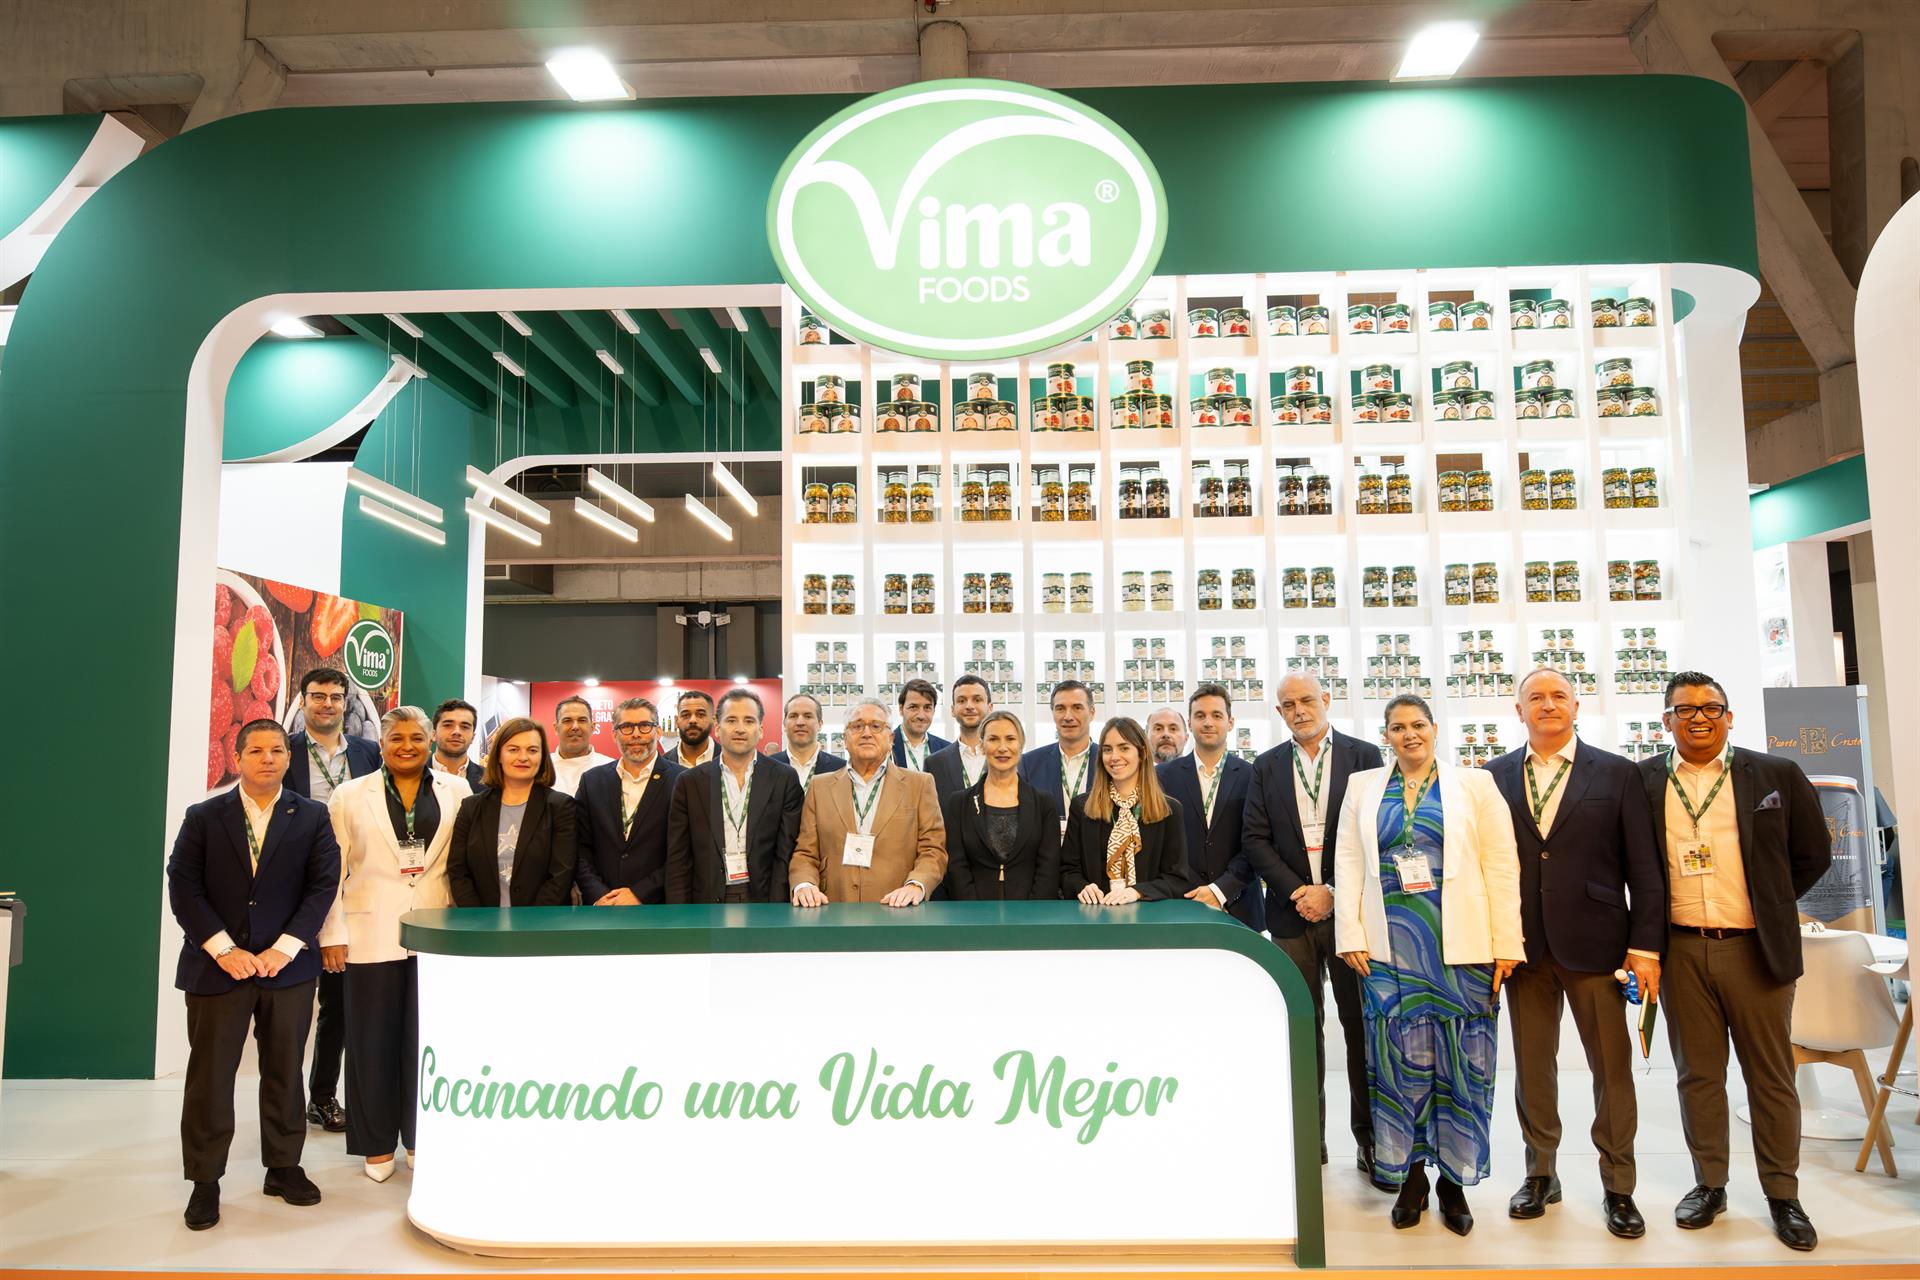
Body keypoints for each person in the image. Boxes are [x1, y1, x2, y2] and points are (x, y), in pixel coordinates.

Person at [1640, 672, 1830, 1252]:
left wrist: (1771, 904)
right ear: (1666, 720)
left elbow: (1813, 854)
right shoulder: (1644, 780)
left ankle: (1783, 1194)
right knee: (1697, 1075)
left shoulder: (1775, 774)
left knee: (1770, 1077)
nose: (1699, 717)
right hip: (1681, 950)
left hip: (1756, 949)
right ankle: (1710, 1185)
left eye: (1711, 707)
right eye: (1685, 709)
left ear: (1729, 716)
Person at [1333, 694, 1522, 1236]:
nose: (1409, 734)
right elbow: (1347, 862)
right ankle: (1412, 1177)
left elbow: (1501, 864)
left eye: (1418, 724)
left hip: (1462, 949)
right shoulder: (1363, 786)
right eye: (1398, 727)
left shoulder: (1476, 784)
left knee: (1463, 1066)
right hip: (1387, 948)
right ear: (1386, 735)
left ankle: (1454, 1183)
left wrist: (1507, 942)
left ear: (1435, 728)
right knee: (1399, 1067)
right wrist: (1350, 933)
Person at [1487, 668, 1665, 1238]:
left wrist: (1645, 947)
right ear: (1518, 711)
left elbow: (1645, 868)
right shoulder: (1491, 776)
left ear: (1576, 706)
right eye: (1535, 697)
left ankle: (1619, 1186)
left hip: (1598, 944)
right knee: (1533, 1067)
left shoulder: (1617, 773)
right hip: (1524, 949)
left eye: (1558, 695)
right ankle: (1541, 1173)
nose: (1548, 705)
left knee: (1611, 1069)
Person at [167, 719, 339, 1230]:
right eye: (257, 750)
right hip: (217, 967)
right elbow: (183, 887)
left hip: (287, 968)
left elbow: (323, 886)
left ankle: (283, 1168)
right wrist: (224, 949)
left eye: (277, 750)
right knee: (210, 1076)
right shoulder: (204, 816)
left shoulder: (312, 816)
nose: (268, 758)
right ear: (238, 758)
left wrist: (285, 948)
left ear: (288, 757)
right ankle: (205, 1180)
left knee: (285, 1071)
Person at [318, 705, 470, 1183]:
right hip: (369, 931)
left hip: (435, 932)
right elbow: (332, 872)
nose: (407, 747)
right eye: (397, 739)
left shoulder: (457, 790)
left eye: (416, 738)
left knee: (425, 1043)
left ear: (430, 742)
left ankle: (421, 1140)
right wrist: (331, 934)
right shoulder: (349, 795)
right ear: (381, 744)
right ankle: (376, 1145)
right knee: (370, 1043)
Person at [1243, 672, 1384, 1181]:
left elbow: (1375, 832)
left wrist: (1334, 893)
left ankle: (1370, 1142)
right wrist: (1300, 891)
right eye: (1288, 704)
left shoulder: (1364, 756)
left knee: (1359, 1028)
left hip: (1350, 917)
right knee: (1302, 1029)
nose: (1299, 710)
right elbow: (1255, 839)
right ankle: (1309, 1142)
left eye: (1306, 700)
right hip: (1291, 914)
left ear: (1326, 699)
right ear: (1279, 712)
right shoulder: (1266, 766)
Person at [285, 666, 378, 1136]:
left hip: (355, 885)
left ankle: (323, 1097)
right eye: (318, 696)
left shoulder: (367, 753)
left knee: (340, 1002)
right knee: (297, 1005)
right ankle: (292, 1100)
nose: (327, 704)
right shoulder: (285, 752)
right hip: (297, 887)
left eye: (335, 697)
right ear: (302, 701)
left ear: (346, 703)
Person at [790, 697, 946, 907]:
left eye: (876, 726)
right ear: (844, 738)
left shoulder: (919, 784)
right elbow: (805, 853)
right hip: (834, 908)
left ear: (891, 739)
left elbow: (933, 849)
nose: (866, 733)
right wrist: (804, 884)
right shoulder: (820, 786)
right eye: (857, 726)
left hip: (897, 908)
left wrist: (916, 885)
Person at [665, 689, 804, 903]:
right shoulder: (689, 782)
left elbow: (785, 853)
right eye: (731, 720)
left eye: (749, 721)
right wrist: (680, 914)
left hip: (764, 899)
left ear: (760, 730)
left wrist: (775, 908)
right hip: (706, 902)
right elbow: (678, 857)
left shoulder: (784, 778)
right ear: (717, 728)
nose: (740, 729)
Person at [447, 719, 577, 908]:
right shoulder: (471, 807)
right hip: (481, 920)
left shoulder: (560, 807)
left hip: (542, 920)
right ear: (499, 755)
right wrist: (478, 917)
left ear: (542, 757)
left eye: (532, 750)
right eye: (513, 749)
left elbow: (562, 874)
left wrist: (529, 921)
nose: (523, 757)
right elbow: (458, 870)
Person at [1062, 716, 1192, 905]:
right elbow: (1067, 871)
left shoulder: (1169, 810)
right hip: (1095, 914)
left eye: (1124, 748)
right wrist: (1082, 887)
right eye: (1107, 749)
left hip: (1148, 917)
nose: (1114, 757)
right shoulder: (1082, 807)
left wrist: (1138, 892)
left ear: (1143, 753)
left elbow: (1177, 879)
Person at [1158, 684, 1259, 926]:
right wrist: (1197, 892)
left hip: (1240, 905)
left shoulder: (1254, 775)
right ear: (1189, 724)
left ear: (1230, 723)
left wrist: (1220, 890)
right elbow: (1160, 844)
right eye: (1200, 715)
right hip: (1182, 903)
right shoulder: (1162, 776)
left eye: (1217, 715)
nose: (1208, 722)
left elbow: (1258, 842)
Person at [943, 710, 1062, 900]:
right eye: (993, 739)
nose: (1002, 747)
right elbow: (956, 866)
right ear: (982, 746)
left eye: (1010, 739)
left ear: (1021, 745)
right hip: (973, 911)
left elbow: (1048, 868)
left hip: (1031, 911)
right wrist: (974, 910)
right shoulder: (959, 803)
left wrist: (1032, 911)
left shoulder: (1043, 803)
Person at [574, 697, 681, 905]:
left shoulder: (682, 780)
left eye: (645, 726)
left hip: (658, 907)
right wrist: (598, 893)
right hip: (602, 906)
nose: (636, 734)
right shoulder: (592, 781)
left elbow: (684, 852)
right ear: (614, 734)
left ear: (658, 732)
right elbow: (579, 847)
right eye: (626, 727)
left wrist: (640, 893)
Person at [1018, 680, 1097, 839]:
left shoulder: (1109, 761)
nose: (1068, 716)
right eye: (1060, 708)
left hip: (1096, 852)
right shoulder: (1029, 763)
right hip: (1048, 852)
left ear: (1092, 712)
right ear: (1053, 713)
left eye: (1077, 707)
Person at [926, 674, 992, 800]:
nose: (969, 706)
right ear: (952, 710)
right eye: (962, 701)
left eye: (977, 700)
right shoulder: (934, 763)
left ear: (990, 708)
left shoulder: (1007, 758)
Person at [771, 693, 845, 788]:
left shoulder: (841, 769)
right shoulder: (765, 768)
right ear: (784, 725)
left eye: (808, 716)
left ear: (820, 725)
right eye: (793, 716)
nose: (800, 722)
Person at [549, 694, 613, 796]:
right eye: (567, 720)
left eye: (582, 720)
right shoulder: (540, 767)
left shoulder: (611, 768)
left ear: (592, 727)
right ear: (556, 727)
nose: (575, 727)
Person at [891, 678, 950, 771]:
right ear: (901, 709)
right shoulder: (885, 747)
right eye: (913, 707)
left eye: (927, 707)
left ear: (934, 710)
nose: (921, 716)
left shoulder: (947, 749)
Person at [430, 698, 486, 791]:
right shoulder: (413, 775)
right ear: (433, 734)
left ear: (473, 737)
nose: (457, 732)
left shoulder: (491, 780)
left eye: (464, 727)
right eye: (448, 725)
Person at [670, 689, 718, 769]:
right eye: (685, 715)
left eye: (700, 715)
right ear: (676, 721)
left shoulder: (731, 760)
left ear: (713, 720)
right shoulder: (661, 765)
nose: (692, 720)